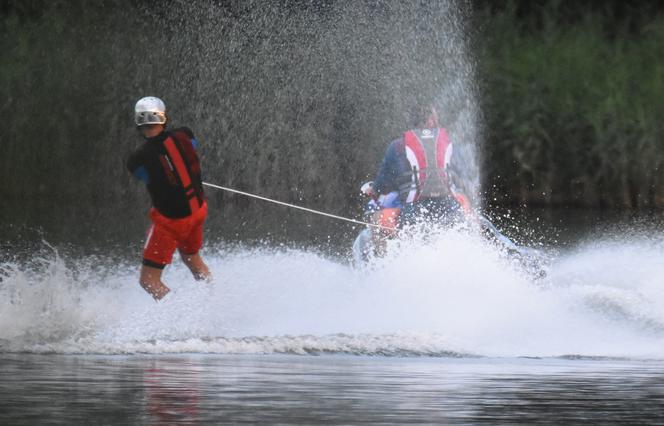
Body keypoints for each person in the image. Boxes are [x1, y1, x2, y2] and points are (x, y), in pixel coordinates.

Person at [127, 96, 211, 301]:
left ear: (139, 122)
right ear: (163, 118)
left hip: (171, 223)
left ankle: (180, 316)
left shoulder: (137, 159)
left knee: (148, 280)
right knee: (191, 257)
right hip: (198, 211)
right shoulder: (184, 134)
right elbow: (191, 146)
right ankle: (212, 299)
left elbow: (144, 176)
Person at [364, 103, 473, 253]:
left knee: (375, 218)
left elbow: (382, 185)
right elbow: (462, 173)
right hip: (450, 211)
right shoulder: (448, 143)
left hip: (414, 215)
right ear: (430, 121)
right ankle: (476, 249)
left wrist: (373, 189)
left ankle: (380, 266)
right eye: (435, 117)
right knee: (471, 214)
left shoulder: (397, 146)